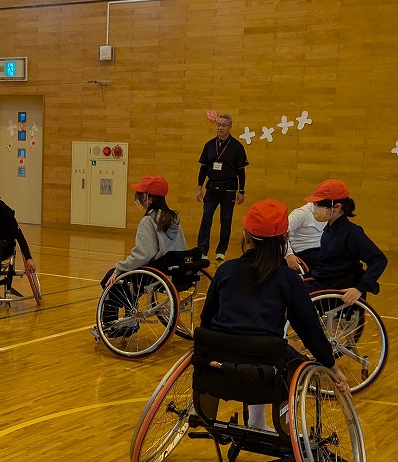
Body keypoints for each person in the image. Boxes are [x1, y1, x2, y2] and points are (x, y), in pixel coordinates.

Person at [201, 199, 350, 430]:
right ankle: (273, 424)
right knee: (293, 359)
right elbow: (309, 330)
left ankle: (206, 410)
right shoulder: (289, 280)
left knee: (255, 348)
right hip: (264, 364)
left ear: (245, 236)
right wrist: (333, 367)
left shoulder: (226, 270)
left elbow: (207, 318)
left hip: (220, 361)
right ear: (285, 239)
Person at [96, 174, 188, 336]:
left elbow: (143, 254)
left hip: (155, 274)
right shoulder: (173, 217)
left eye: (141, 194)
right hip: (174, 271)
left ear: (149, 199)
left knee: (112, 278)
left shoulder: (149, 221)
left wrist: (119, 269)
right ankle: (127, 318)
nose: (138, 198)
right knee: (125, 277)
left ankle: (118, 322)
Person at [302, 179, 387, 304]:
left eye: (319, 205)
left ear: (337, 207)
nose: (314, 208)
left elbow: (379, 260)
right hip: (323, 281)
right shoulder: (329, 229)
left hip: (333, 287)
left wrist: (359, 288)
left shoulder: (352, 233)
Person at [194, 113, 248, 261]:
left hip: (229, 189)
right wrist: (199, 188)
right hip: (211, 188)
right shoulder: (209, 145)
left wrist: (241, 191)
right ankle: (202, 250)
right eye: (218, 124)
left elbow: (241, 172)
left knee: (226, 219)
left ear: (230, 127)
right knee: (206, 217)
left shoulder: (237, 147)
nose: (220, 128)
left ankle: (221, 250)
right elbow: (203, 168)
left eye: (224, 125)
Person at [285, 199, 328, 273]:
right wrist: (289, 255)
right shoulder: (301, 213)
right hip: (304, 250)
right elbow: (282, 233)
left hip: (322, 247)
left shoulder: (331, 212)